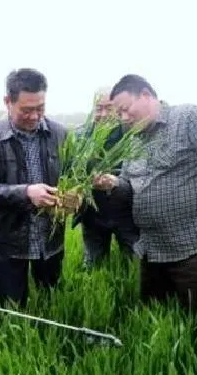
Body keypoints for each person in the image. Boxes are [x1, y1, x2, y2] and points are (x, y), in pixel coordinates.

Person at [96, 74, 197, 338]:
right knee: (157, 324)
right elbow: (131, 187)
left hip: (194, 249)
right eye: (118, 113)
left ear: (145, 95)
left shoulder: (189, 118)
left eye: (125, 109)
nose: (123, 118)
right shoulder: (133, 140)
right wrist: (113, 184)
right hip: (151, 252)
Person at [0, 68, 68, 307]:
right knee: (13, 308)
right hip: (9, 242)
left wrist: (74, 194)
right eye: (27, 110)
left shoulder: (60, 134)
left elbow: (73, 175)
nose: (35, 116)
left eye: (41, 108)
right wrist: (26, 192)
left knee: (51, 301)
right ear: (8, 102)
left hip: (50, 240)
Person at [72, 87, 139, 270]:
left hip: (126, 211)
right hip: (93, 212)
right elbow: (70, 171)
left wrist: (115, 182)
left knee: (135, 262)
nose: (102, 114)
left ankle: (134, 294)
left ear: (118, 109)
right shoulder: (80, 136)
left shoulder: (131, 135)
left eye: (108, 108)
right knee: (93, 264)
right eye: (98, 108)